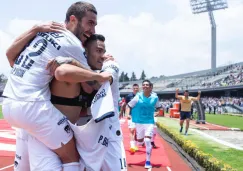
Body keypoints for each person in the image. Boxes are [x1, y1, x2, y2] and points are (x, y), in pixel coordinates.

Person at [3, 2, 111, 171]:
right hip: (33, 107)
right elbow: (92, 85)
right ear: (73, 20)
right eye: (90, 23)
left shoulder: (44, 31)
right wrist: (99, 75)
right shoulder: (73, 44)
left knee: (25, 163)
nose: (93, 31)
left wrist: (34, 28)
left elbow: (10, 56)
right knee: (71, 157)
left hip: (9, 104)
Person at [127, 80, 162, 169]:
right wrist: (127, 114)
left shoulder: (155, 98)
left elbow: (159, 108)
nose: (145, 86)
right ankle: (138, 142)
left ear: (150, 87)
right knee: (140, 142)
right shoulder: (138, 97)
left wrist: (157, 113)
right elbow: (129, 106)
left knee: (147, 141)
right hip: (139, 122)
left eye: (147, 85)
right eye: (143, 85)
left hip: (149, 122)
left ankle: (148, 161)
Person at [125, 84, 139, 152]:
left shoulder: (141, 96)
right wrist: (127, 114)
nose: (136, 89)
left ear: (138, 89)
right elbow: (126, 105)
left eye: (137, 88)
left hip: (139, 116)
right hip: (131, 115)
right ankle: (132, 146)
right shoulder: (129, 96)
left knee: (138, 132)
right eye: (134, 88)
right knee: (132, 130)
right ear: (132, 89)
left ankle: (136, 143)